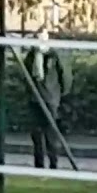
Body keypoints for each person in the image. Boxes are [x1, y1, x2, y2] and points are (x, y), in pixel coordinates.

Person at [24, 28, 71, 170]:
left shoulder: (54, 55)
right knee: (36, 133)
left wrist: (59, 94)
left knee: (51, 133)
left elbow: (65, 77)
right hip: (34, 98)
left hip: (50, 99)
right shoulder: (32, 54)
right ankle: (38, 164)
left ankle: (53, 163)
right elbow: (26, 73)